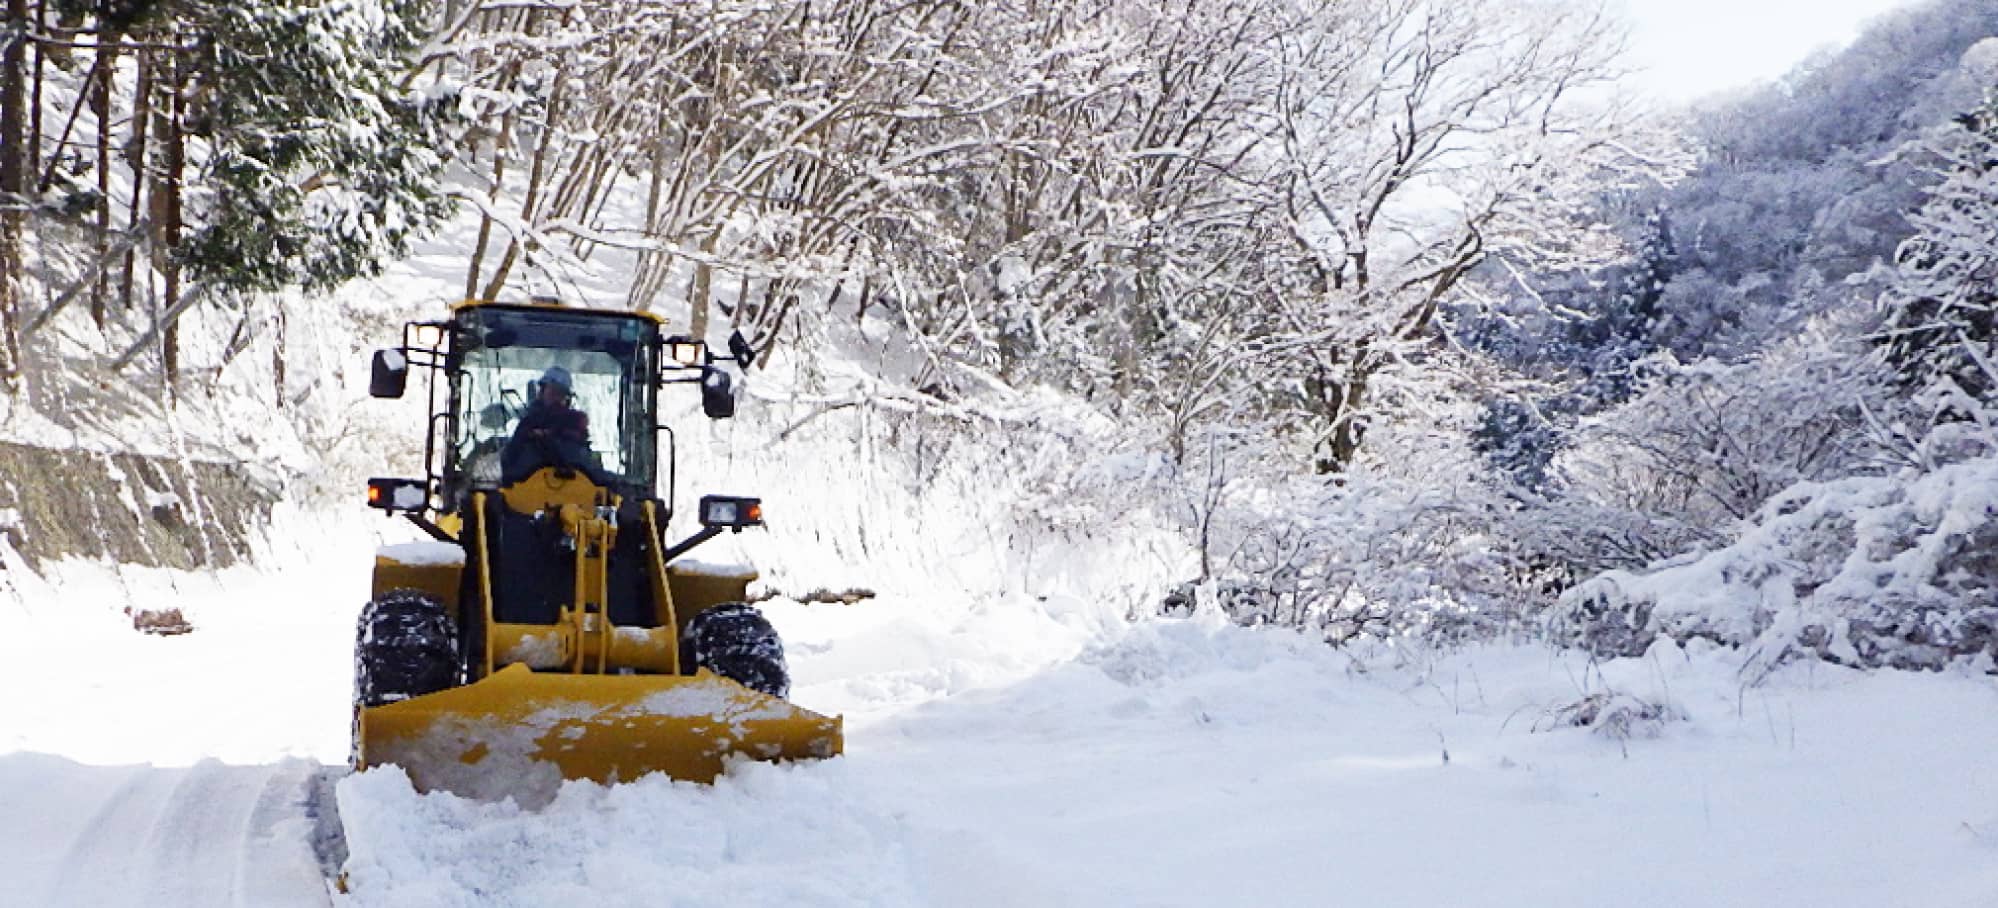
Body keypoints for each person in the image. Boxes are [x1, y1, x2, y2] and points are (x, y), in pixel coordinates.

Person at [501, 366, 614, 485]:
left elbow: (587, 467)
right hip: (524, 491)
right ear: (542, 392)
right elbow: (509, 460)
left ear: (568, 399)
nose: (556, 398)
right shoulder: (528, 424)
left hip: (576, 492)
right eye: (552, 392)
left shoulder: (575, 426)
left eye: (560, 394)